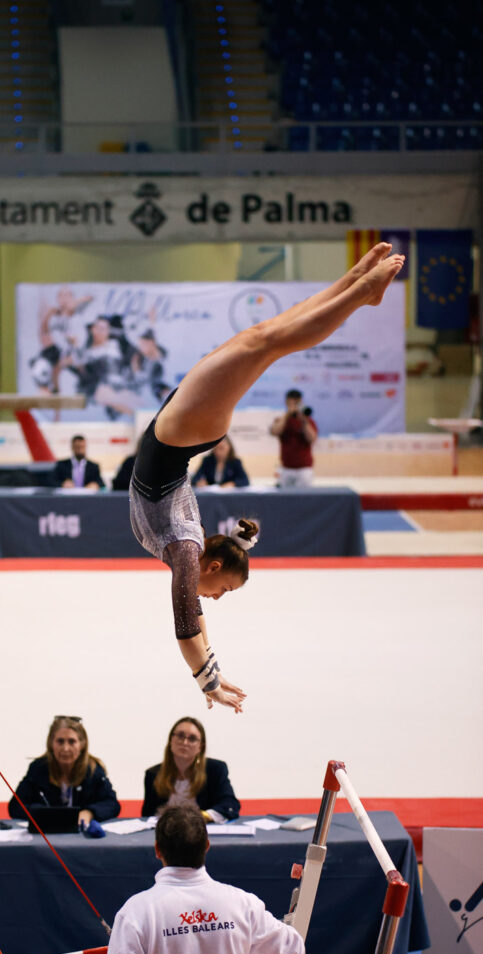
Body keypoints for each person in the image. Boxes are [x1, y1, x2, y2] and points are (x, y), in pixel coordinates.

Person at [129, 244, 404, 712]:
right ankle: (355, 287)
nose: (215, 599)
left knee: (266, 336)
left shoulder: (186, 550)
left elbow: (186, 621)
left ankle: (357, 288)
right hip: (180, 429)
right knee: (267, 341)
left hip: (180, 429)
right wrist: (211, 666)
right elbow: (194, 614)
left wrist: (207, 680)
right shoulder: (189, 550)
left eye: (223, 591)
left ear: (212, 568)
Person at [77, 804, 304, 954]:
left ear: (157, 850)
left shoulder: (136, 912)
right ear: (206, 846)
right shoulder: (241, 904)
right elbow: (293, 953)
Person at [9, 715, 120, 827]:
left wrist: (89, 813)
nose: (65, 748)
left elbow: (112, 804)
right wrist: (45, 813)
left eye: (72, 742)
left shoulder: (93, 770)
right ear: (51, 744)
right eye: (60, 741)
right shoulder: (38, 768)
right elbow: (15, 807)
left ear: (82, 744)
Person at [142, 717, 240, 822]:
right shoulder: (153, 774)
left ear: (200, 746)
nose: (185, 742)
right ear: (170, 740)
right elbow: (148, 814)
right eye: (180, 736)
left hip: (203, 831)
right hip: (166, 833)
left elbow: (230, 805)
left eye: (192, 738)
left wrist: (204, 816)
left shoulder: (215, 769)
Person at [269, 389, 318, 488]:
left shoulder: (308, 421)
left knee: (304, 498)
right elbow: (274, 431)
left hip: (304, 469)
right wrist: (287, 415)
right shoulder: (282, 420)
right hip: (286, 468)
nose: (294, 406)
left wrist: (304, 420)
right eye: (291, 404)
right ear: (286, 403)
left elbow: (312, 439)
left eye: (297, 403)